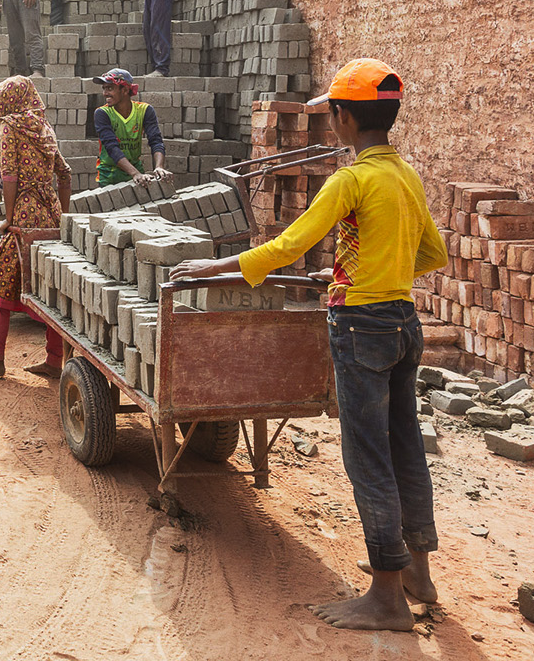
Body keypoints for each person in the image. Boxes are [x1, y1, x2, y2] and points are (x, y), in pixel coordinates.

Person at [169, 59, 446, 632]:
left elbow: (289, 244)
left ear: (344, 118)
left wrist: (212, 266)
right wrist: (360, 270)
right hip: (402, 322)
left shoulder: (352, 179)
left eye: (334, 114)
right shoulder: (405, 176)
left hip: (361, 328)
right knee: (404, 446)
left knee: (366, 454)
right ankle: (419, 572)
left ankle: (387, 596)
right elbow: (432, 256)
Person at [0, 75, 72, 379]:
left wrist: (9, 219)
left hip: (24, 216)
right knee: (48, 284)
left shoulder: (10, 127)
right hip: (50, 214)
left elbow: (9, 176)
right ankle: (54, 361)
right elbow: (65, 174)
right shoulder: (44, 126)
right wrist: (63, 216)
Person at [91, 68, 171, 187]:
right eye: (104, 88)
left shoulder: (145, 110)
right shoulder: (102, 113)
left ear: (125, 90)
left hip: (135, 168)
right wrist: (135, 174)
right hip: (109, 175)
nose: (105, 93)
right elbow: (111, 147)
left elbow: (156, 140)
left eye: (110, 88)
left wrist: (159, 167)